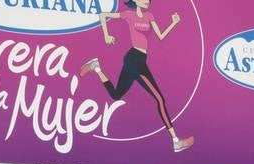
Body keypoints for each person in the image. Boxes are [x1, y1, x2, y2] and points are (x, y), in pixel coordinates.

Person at [80, 0, 194, 153]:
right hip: (134, 58)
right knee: (160, 99)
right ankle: (175, 141)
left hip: (139, 60)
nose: (147, 1)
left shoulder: (149, 16)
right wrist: (106, 34)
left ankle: (96, 67)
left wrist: (173, 23)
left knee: (116, 95)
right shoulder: (129, 15)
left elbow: (160, 36)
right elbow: (103, 15)